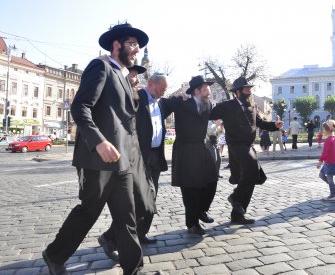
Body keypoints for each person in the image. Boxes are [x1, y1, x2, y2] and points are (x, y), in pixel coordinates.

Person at [42, 23, 149, 275]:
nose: (136, 49)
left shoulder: (124, 77)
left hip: (121, 161)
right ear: (116, 45)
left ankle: (134, 269)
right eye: (132, 43)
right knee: (89, 211)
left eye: (138, 45)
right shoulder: (101, 66)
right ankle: (54, 254)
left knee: (127, 216)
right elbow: (80, 107)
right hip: (96, 159)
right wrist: (99, 141)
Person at [100, 73, 169, 256]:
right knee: (137, 201)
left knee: (150, 200)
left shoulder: (161, 102)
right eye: (162, 89)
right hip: (138, 157)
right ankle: (109, 237)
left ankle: (141, 232)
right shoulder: (136, 97)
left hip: (155, 157)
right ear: (152, 84)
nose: (164, 93)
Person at [210, 77, 282, 224]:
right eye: (246, 89)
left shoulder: (253, 106)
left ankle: (238, 214)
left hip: (249, 146)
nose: (249, 91)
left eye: (250, 89)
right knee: (251, 173)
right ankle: (235, 197)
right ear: (238, 92)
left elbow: (261, 123)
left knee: (253, 177)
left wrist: (275, 125)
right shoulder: (227, 106)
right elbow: (210, 114)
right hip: (236, 146)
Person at [164, 75, 218, 235]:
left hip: (201, 147)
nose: (209, 91)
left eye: (208, 88)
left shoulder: (207, 106)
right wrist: (173, 96)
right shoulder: (182, 103)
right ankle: (192, 223)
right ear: (196, 91)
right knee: (190, 188)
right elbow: (163, 105)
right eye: (206, 89)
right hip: (185, 149)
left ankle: (201, 210)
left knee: (212, 179)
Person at [317, 120, 335, 201]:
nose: (323, 130)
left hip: (330, 163)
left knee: (330, 179)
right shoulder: (334, 138)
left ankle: (332, 195)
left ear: (327, 130)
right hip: (328, 163)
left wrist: (320, 162)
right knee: (321, 175)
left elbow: (325, 152)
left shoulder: (330, 140)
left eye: (323, 129)